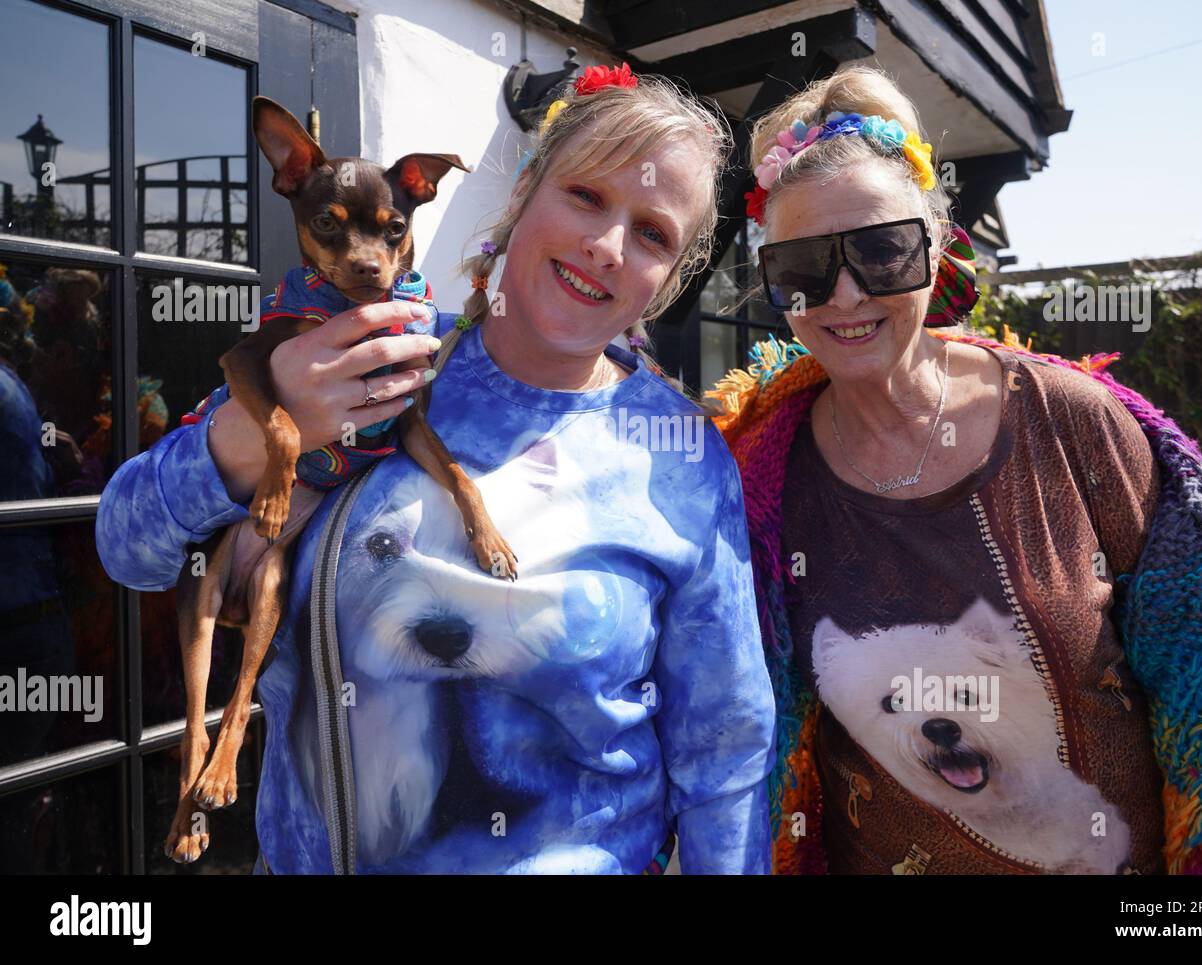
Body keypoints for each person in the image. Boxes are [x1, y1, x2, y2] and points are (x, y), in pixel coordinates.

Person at [96, 64, 776, 874]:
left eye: (654, 233)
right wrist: (264, 430)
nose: (606, 245)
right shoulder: (368, 354)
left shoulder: (683, 457)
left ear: (670, 278)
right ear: (526, 191)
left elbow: (724, 758)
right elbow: (126, 547)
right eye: (586, 196)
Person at [709, 65, 1202, 874]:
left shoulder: (1073, 423)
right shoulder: (756, 480)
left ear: (937, 245)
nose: (844, 294)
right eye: (804, 267)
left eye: (881, 251)